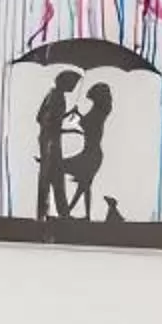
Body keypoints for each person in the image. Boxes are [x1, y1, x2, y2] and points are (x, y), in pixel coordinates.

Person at [61, 80, 115, 220]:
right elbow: (86, 124)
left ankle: (69, 212)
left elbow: (86, 125)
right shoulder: (100, 111)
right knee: (84, 186)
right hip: (91, 153)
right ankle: (81, 214)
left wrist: (77, 114)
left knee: (82, 185)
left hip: (90, 154)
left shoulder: (98, 112)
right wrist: (78, 114)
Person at [33, 71, 81, 222]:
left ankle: (56, 213)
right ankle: (51, 213)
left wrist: (66, 116)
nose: (74, 86)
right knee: (50, 176)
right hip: (51, 142)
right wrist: (68, 128)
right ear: (65, 82)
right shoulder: (57, 96)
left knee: (53, 177)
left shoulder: (53, 94)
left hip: (48, 140)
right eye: (73, 83)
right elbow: (48, 121)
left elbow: (41, 117)